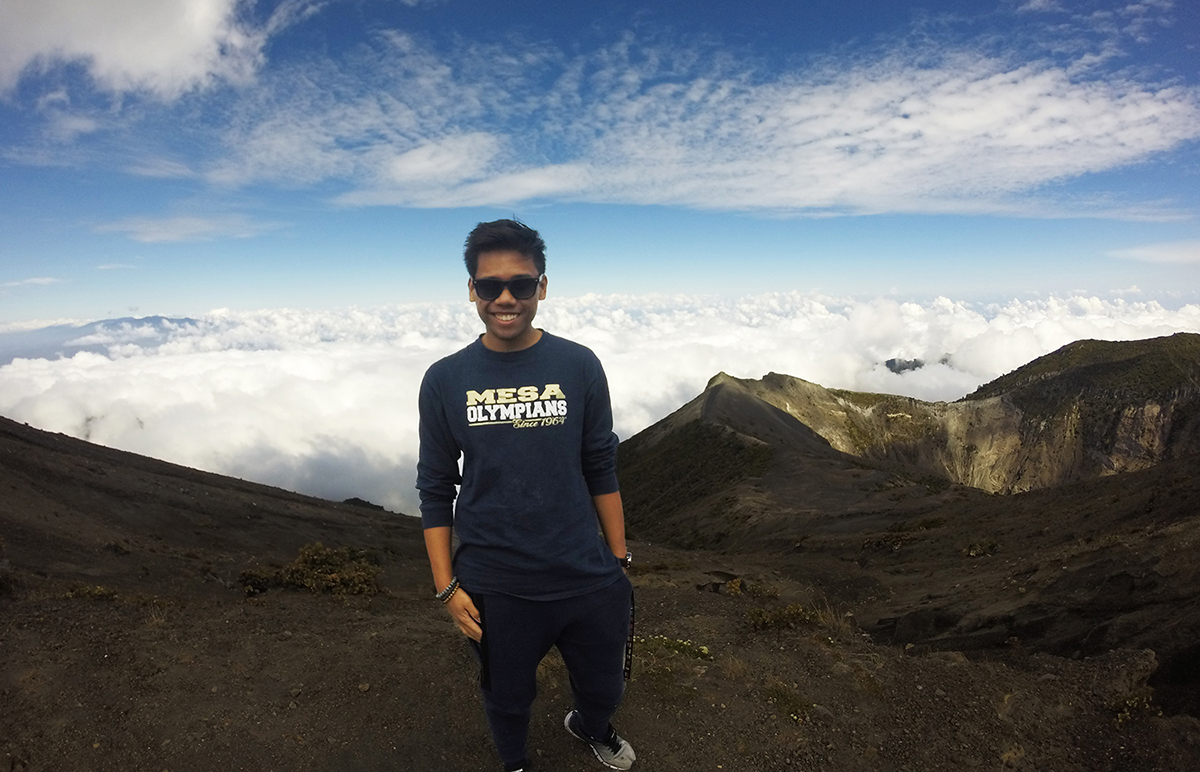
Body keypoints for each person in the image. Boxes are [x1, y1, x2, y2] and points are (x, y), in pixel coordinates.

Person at [416, 219, 636, 772]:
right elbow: (436, 486)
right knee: (507, 697)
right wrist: (446, 588)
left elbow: (599, 464)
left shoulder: (579, 364)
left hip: (586, 573)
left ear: (543, 286)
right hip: (497, 584)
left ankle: (591, 725)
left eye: (521, 283)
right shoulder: (444, 380)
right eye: (490, 286)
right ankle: (515, 763)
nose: (505, 298)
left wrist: (618, 558)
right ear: (472, 290)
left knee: (606, 685)